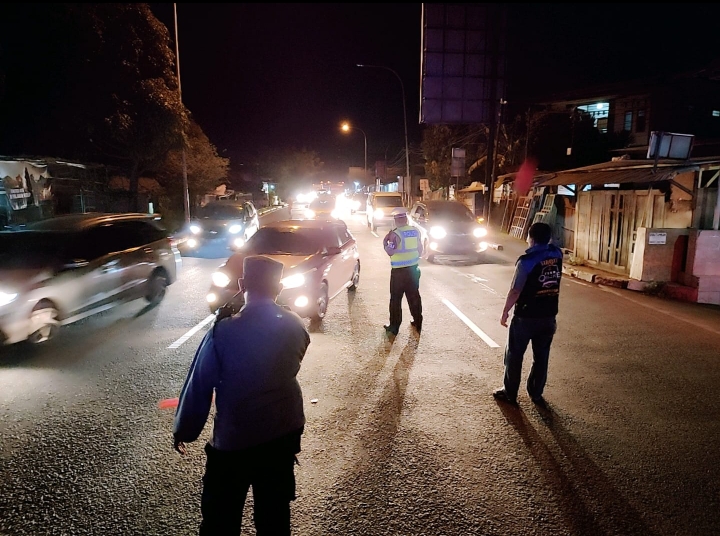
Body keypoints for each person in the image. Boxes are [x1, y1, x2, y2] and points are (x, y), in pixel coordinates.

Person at [173, 255, 310, 536]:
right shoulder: (295, 324)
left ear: (242, 283)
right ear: (279, 288)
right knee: (274, 518)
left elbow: (200, 384)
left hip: (235, 439)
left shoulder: (223, 331)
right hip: (282, 434)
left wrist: (184, 429)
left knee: (220, 520)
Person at [493, 222, 563, 408]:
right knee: (541, 356)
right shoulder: (557, 254)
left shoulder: (527, 261)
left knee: (514, 355)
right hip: (548, 316)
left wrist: (505, 311)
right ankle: (536, 393)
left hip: (526, 316)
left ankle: (510, 393)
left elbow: (515, 290)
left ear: (530, 238)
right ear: (548, 238)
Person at [382, 206, 423, 335]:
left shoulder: (395, 234)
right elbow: (420, 249)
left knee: (395, 299)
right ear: (405, 219)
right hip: (413, 270)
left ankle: (394, 327)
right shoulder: (415, 231)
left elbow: (390, 251)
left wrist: (385, 242)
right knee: (414, 296)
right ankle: (418, 321)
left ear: (396, 220)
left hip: (399, 273)